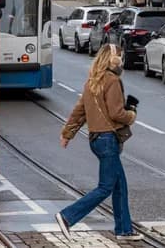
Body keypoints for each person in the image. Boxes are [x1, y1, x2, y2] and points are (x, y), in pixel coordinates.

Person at [56, 44, 141, 241]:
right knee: (106, 187)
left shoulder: (92, 82)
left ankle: (124, 229)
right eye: (119, 56)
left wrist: (67, 133)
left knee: (120, 186)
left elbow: (80, 110)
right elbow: (116, 113)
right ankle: (67, 216)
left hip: (96, 139)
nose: (121, 60)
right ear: (112, 59)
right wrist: (131, 115)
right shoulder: (112, 81)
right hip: (107, 139)